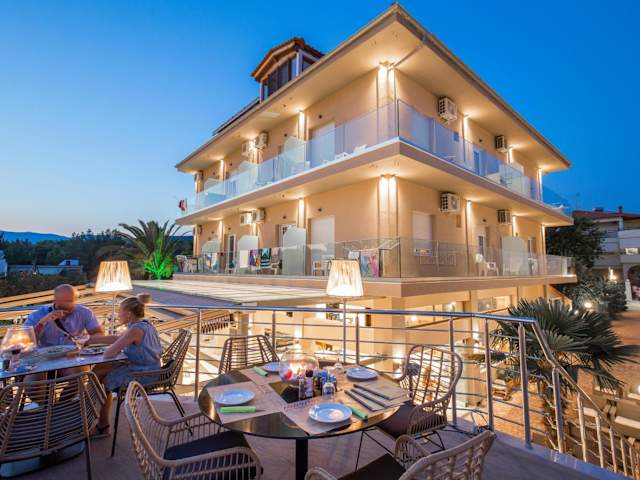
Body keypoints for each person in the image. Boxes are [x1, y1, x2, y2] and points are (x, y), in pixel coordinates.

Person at [92, 293, 162, 437]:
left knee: (101, 378)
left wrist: (115, 348)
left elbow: (109, 354)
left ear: (129, 314)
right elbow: (119, 338)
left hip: (145, 375)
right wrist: (90, 340)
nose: (118, 315)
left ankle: (99, 422)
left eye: (120, 311)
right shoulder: (144, 324)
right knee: (99, 371)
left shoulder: (135, 330)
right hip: (150, 369)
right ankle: (92, 413)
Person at [23, 284, 105, 380]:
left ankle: (71, 391)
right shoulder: (37, 315)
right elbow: (27, 342)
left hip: (72, 357)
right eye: (61, 302)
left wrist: (83, 340)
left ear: (75, 300)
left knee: (80, 374)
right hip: (45, 360)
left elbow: (99, 335)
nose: (66, 306)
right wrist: (43, 322)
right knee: (32, 379)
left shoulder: (84, 312)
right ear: (54, 300)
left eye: (69, 301)